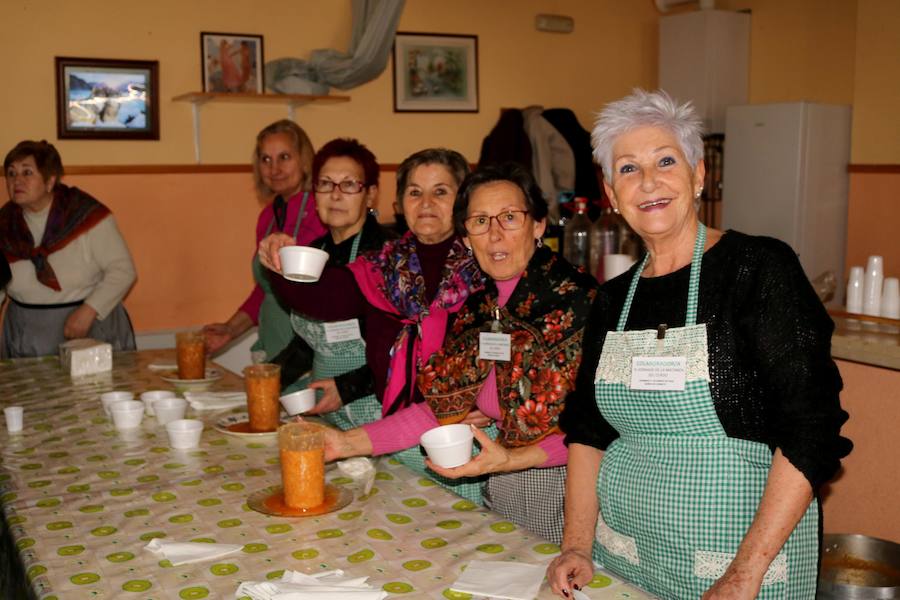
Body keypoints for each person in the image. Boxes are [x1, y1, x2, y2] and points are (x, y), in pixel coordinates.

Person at [547, 89, 852, 599]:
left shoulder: (757, 269)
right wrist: (576, 544)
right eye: (628, 169)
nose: (648, 182)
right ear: (609, 192)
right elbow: (588, 429)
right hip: (627, 552)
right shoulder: (612, 299)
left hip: (739, 561)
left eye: (666, 160)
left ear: (698, 174)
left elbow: (811, 430)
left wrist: (743, 574)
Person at [318, 163, 597, 543]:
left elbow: (602, 427)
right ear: (466, 237)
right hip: (500, 481)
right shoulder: (480, 310)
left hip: (564, 488)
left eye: (510, 218)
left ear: (538, 226)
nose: (495, 234)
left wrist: (514, 459)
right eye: (480, 221)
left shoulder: (583, 304)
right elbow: (443, 406)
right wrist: (345, 443)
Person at [259, 148, 487, 501]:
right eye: (414, 192)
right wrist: (278, 260)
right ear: (399, 203)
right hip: (393, 434)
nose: (425, 202)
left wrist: (491, 401)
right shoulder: (383, 267)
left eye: (440, 191)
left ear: (463, 201)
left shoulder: (484, 267)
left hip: (461, 442)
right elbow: (322, 299)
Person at [285, 138, 394, 429]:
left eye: (348, 185)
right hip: (328, 413)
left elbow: (401, 353)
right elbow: (307, 343)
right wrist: (267, 378)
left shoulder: (389, 257)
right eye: (325, 184)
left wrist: (346, 388)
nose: (335, 195)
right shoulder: (310, 254)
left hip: (378, 415)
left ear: (370, 195)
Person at [202, 119, 326, 373]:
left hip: (309, 345)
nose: (274, 168)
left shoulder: (322, 209)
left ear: (304, 160)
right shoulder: (268, 216)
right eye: (266, 159)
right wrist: (230, 329)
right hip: (274, 337)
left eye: (284, 157)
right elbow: (266, 289)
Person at [1, 140, 136, 358]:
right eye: (11, 173)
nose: (17, 180)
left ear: (49, 181)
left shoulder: (85, 215)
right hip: (26, 335)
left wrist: (88, 311)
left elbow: (123, 271)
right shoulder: (4, 225)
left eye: (27, 173)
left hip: (88, 329)